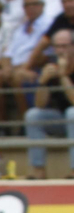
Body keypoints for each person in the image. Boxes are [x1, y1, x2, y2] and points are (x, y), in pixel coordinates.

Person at [26, 28, 74, 179]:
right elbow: (39, 104)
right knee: (33, 115)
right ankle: (38, 170)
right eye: (57, 46)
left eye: (64, 46)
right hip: (62, 120)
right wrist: (43, 82)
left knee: (72, 112)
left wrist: (64, 77)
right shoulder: (50, 65)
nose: (60, 50)